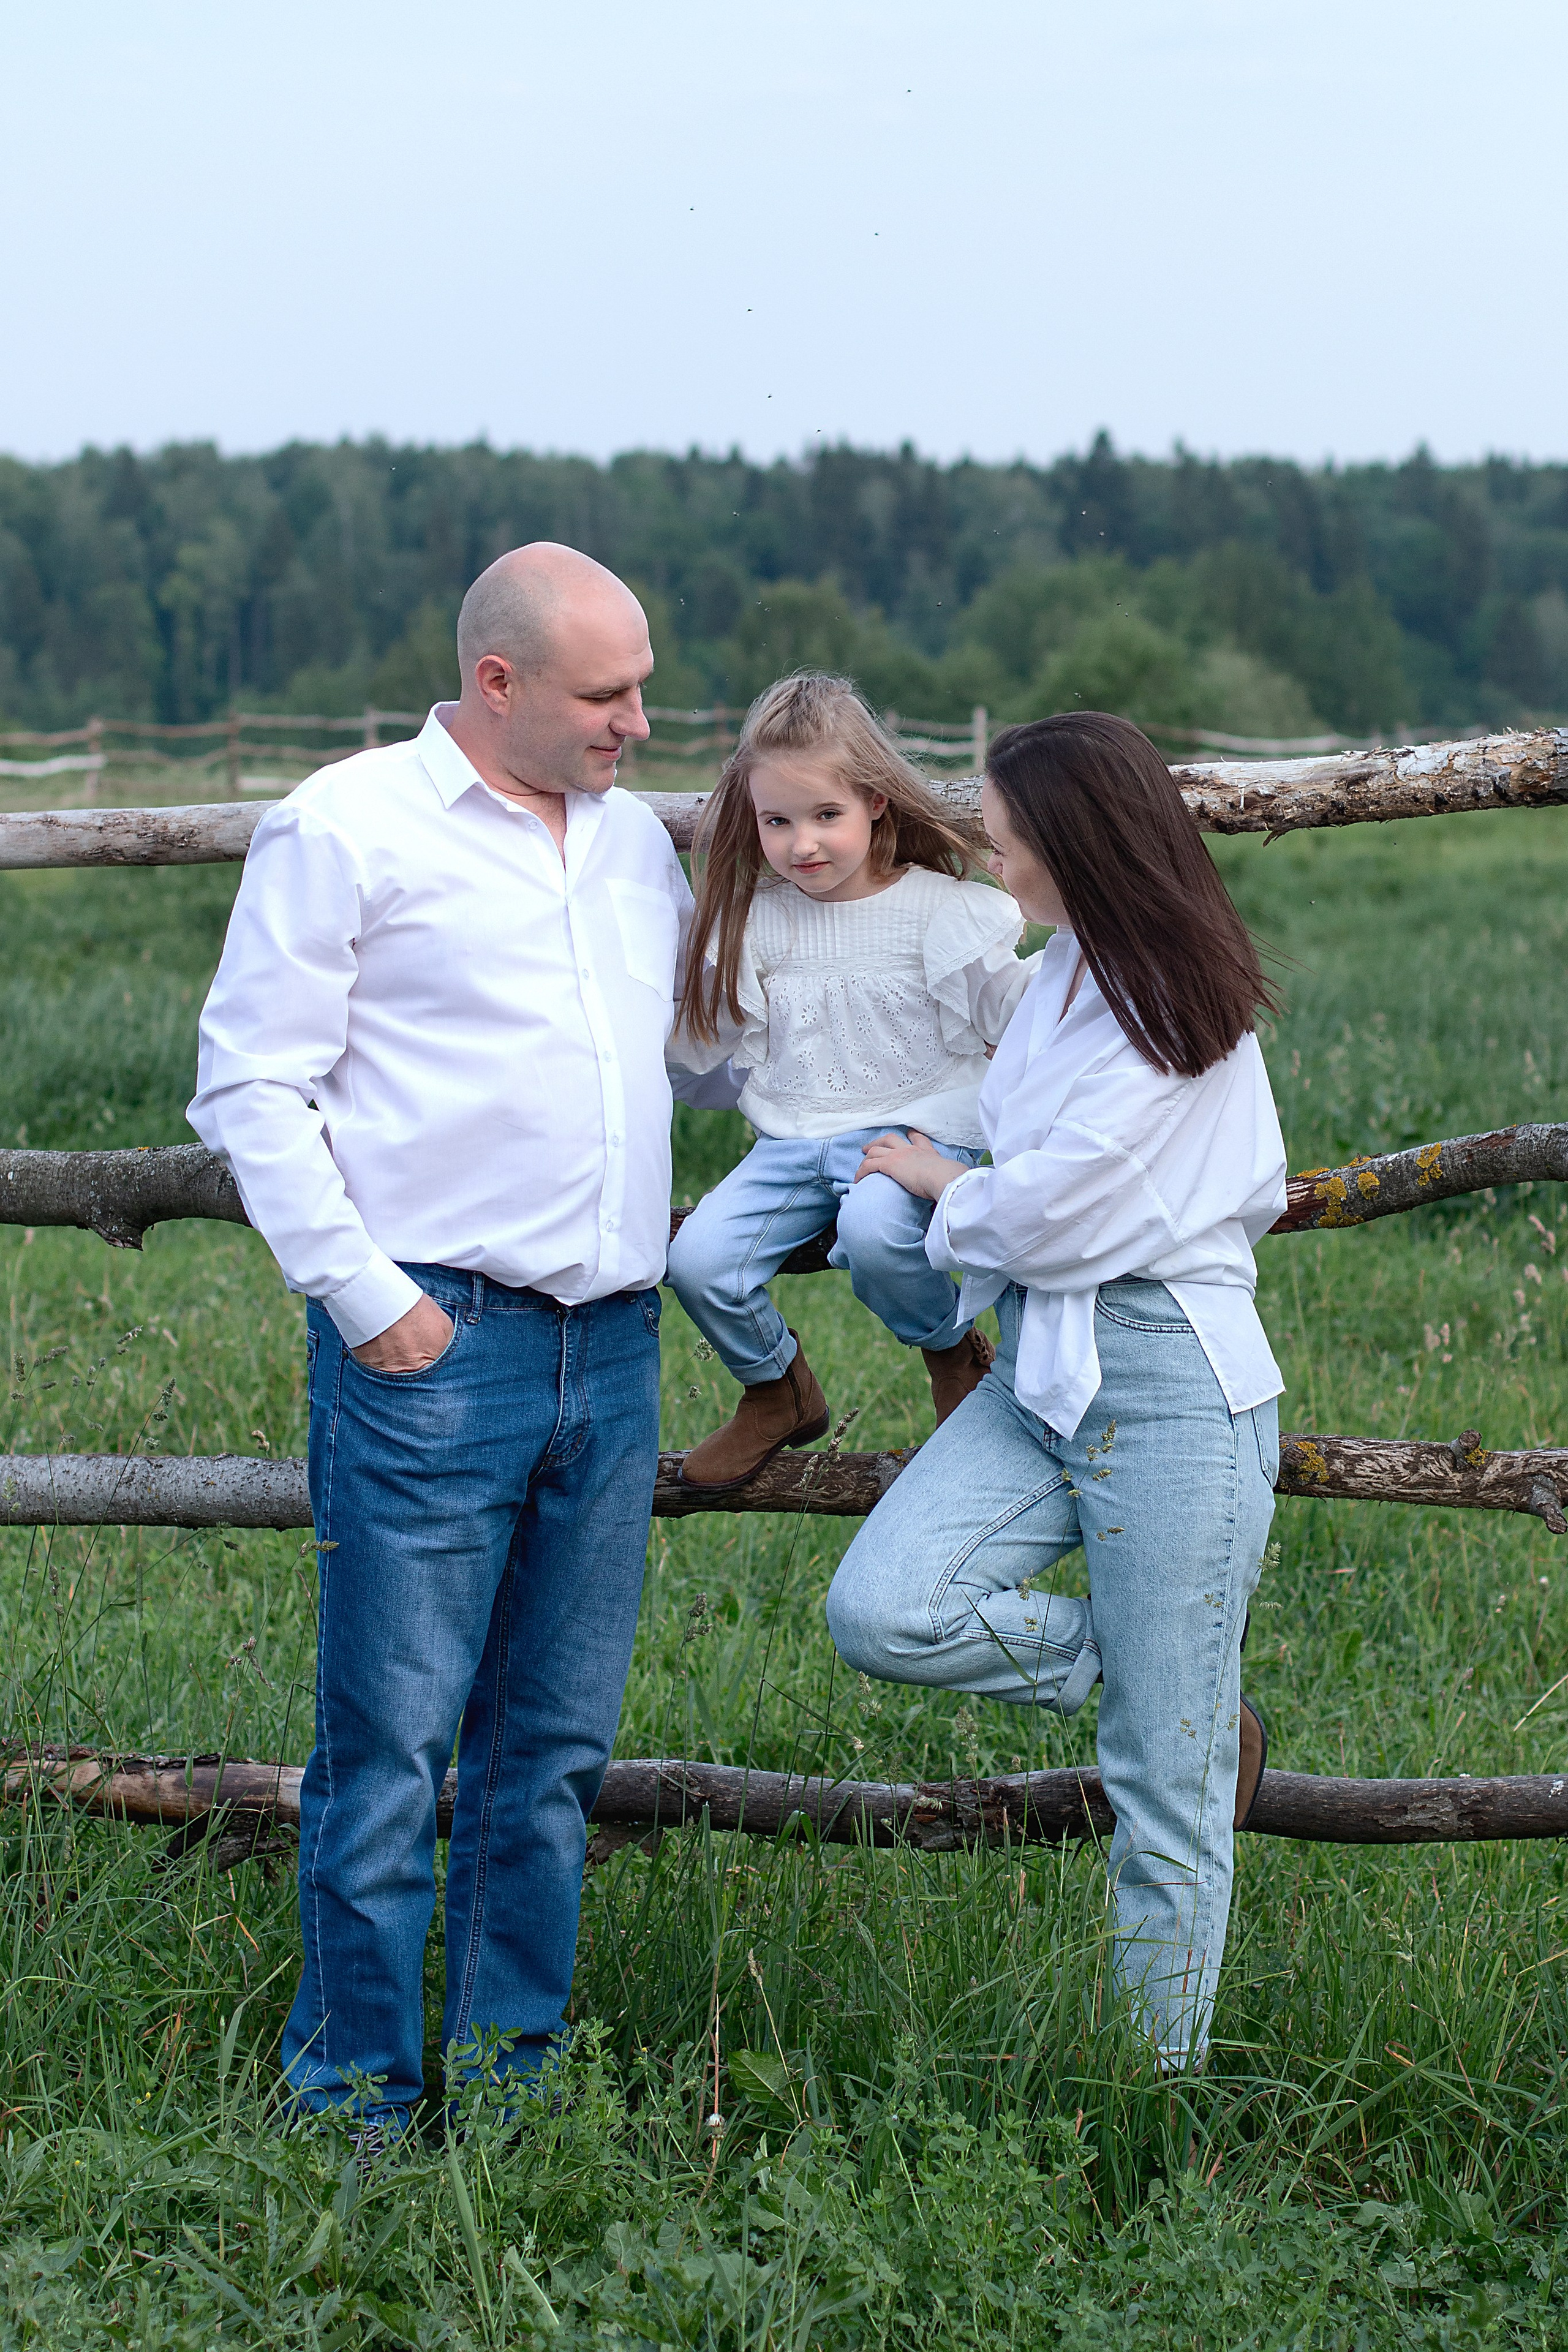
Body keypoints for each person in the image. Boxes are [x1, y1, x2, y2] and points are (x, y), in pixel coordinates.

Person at [189, 543, 703, 2136]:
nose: (638, 721)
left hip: (610, 1349)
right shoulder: (346, 825)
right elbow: (248, 1084)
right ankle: (347, 2102)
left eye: (642, 687)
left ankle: (503, 2092)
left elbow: (703, 1053)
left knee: (550, 1756)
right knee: (392, 1755)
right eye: (607, 693)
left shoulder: (638, 852)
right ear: (500, 684)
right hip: (438, 1342)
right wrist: (370, 1303)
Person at [825, 710, 1286, 2071]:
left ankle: (1155, 2091)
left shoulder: (1176, 1012)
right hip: (1044, 1368)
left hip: (1168, 1385)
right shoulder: (1067, 973)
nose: (991, 851)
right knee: (887, 1608)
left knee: (1163, 1794)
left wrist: (934, 1184)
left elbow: (1062, 1209)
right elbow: (1018, 1137)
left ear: (1078, 848)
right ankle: (1174, 1692)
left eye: (1008, 836)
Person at [665, 673, 1036, 1491]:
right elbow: (710, 1042)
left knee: (874, 1232)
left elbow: (1009, 1011)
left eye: (826, 815)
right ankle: (778, 1388)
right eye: (778, 821)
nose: (803, 844)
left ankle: (949, 1346)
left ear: (873, 800)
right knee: (696, 1259)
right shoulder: (756, 918)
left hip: (911, 1136)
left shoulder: (938, 909)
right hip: (792, 1138)